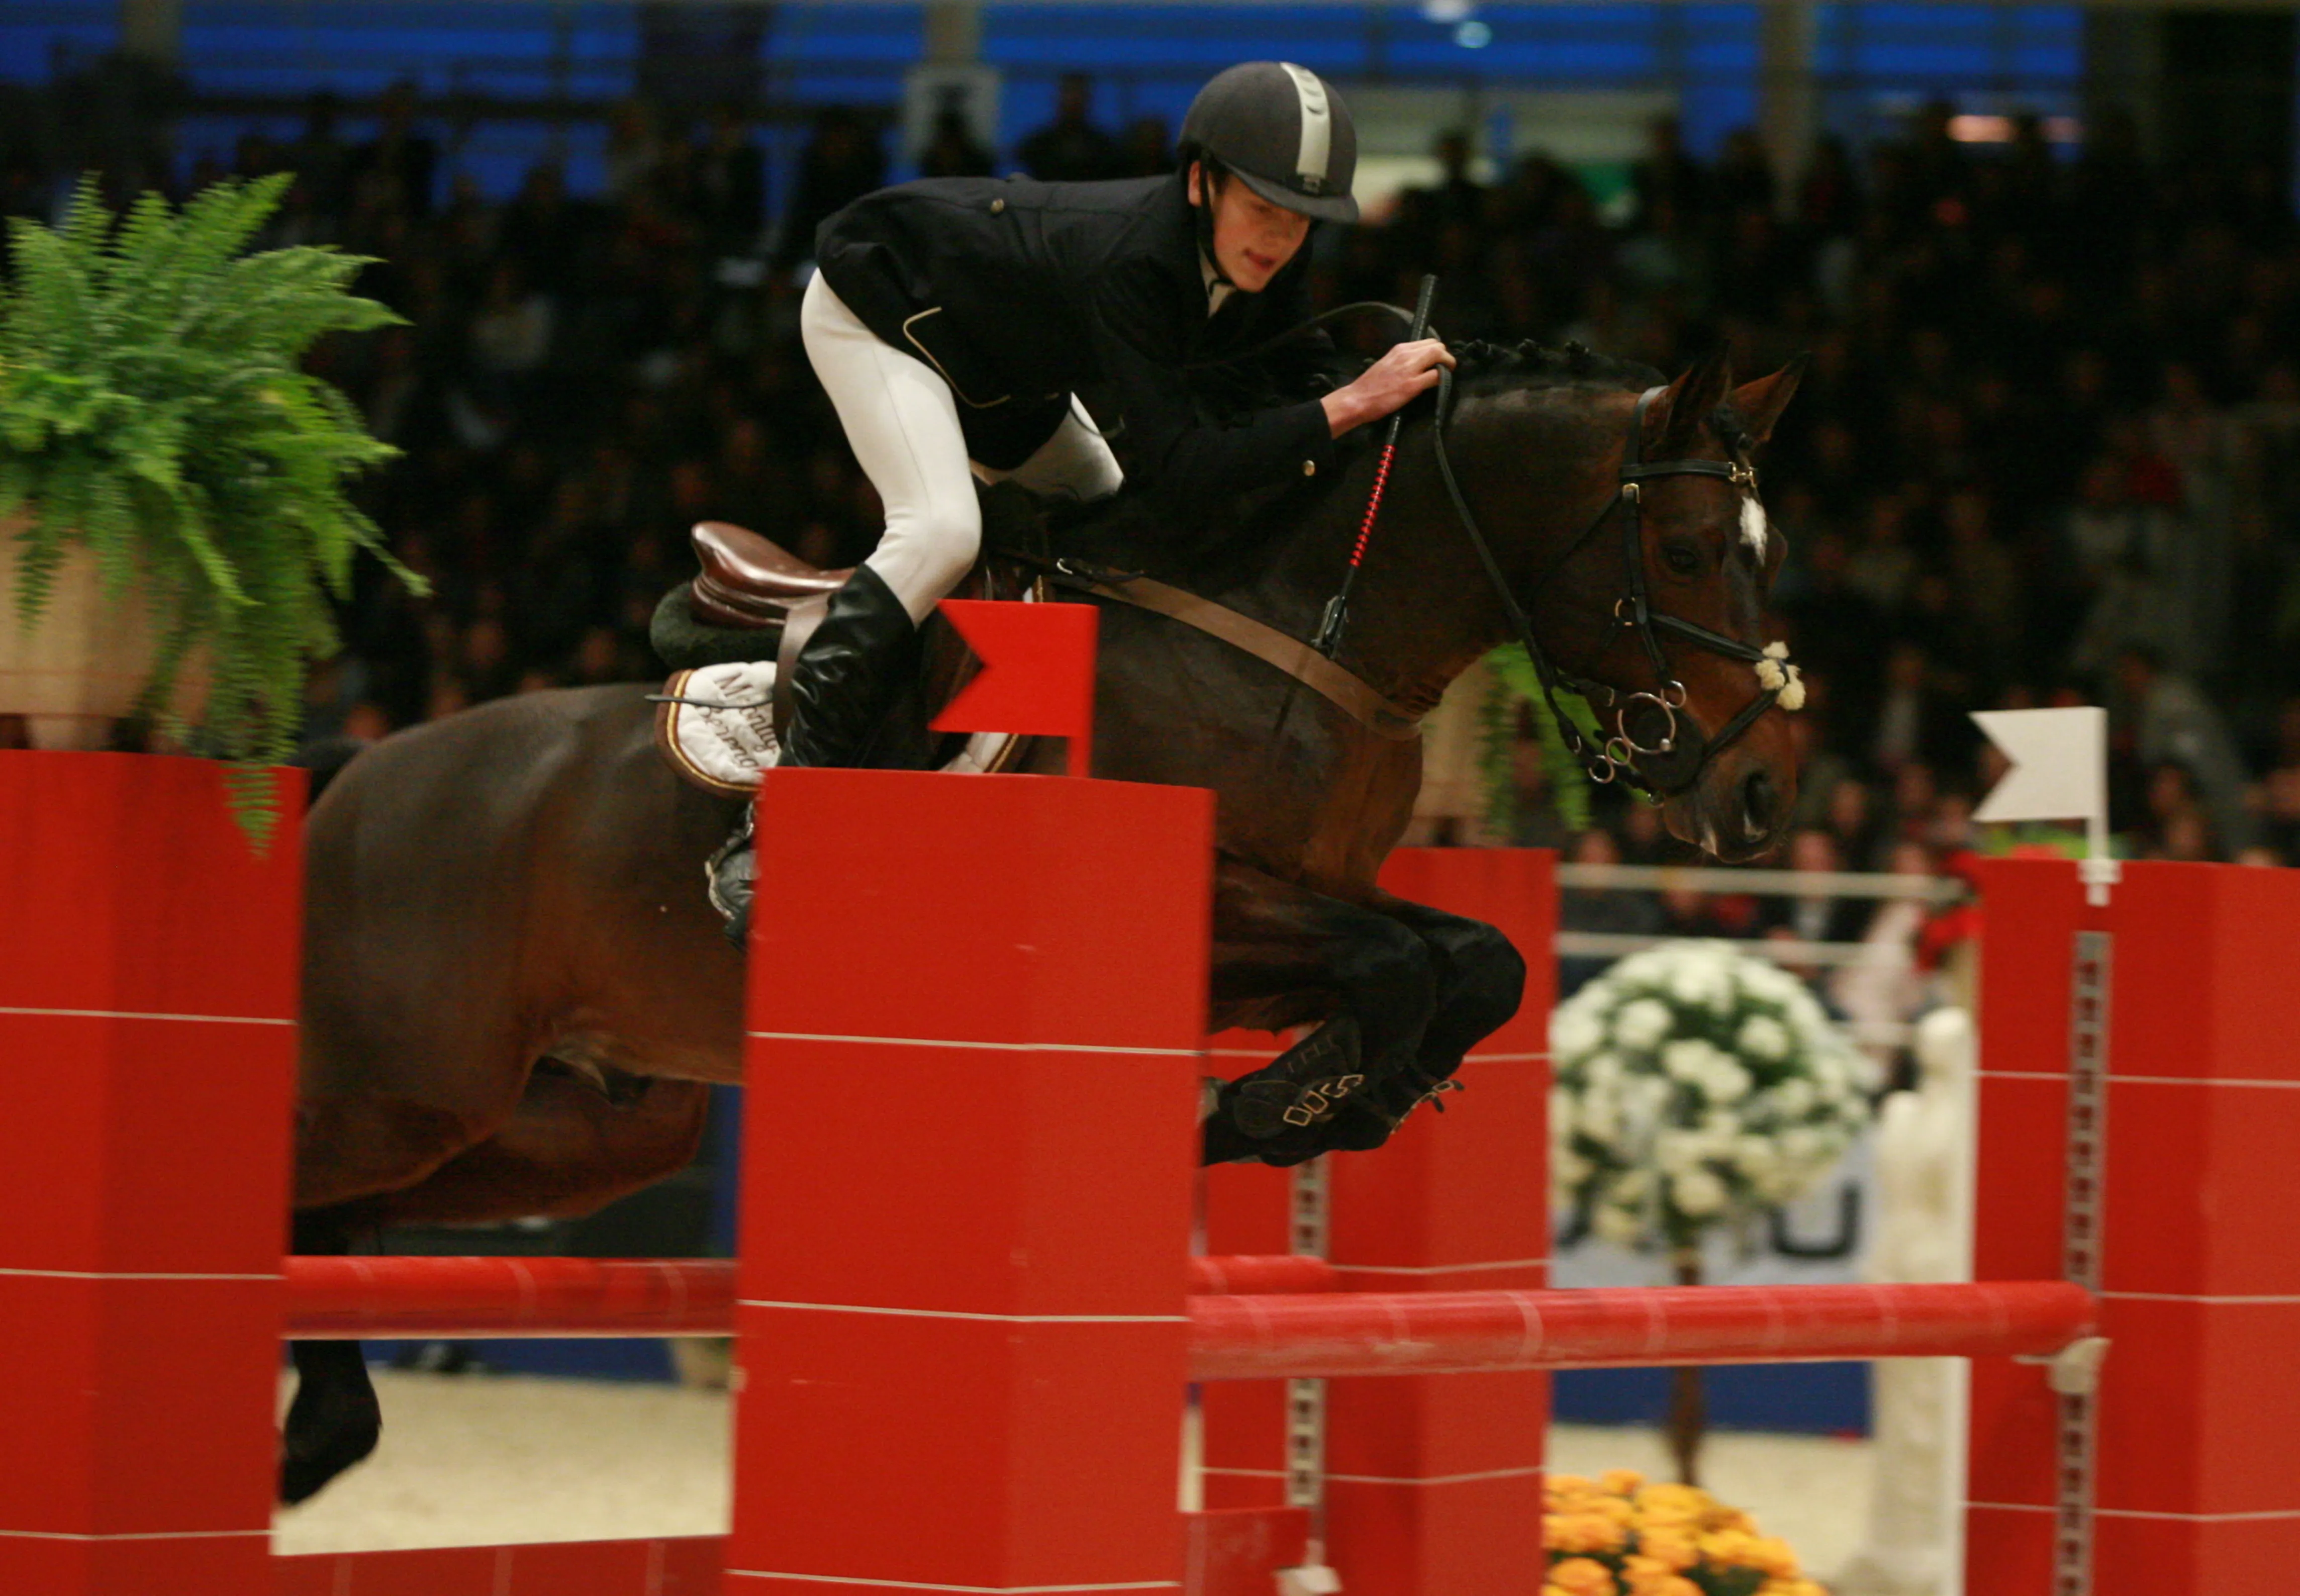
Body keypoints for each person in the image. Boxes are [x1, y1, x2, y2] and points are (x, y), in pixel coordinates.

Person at [707, 62, 1455, 939]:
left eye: (1301, 222)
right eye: (1262, 210)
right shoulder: (1137, 258)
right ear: (1201, 182)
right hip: (881, 312)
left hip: (1004, 367)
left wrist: (1401, 400)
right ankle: (784, 818)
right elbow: (1183, 464)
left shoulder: (1261, 255)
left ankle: (1009, 770)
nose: (1279, 239)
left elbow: (1290, 376)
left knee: (1106, 518)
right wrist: (1350, 404)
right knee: (944, 529)